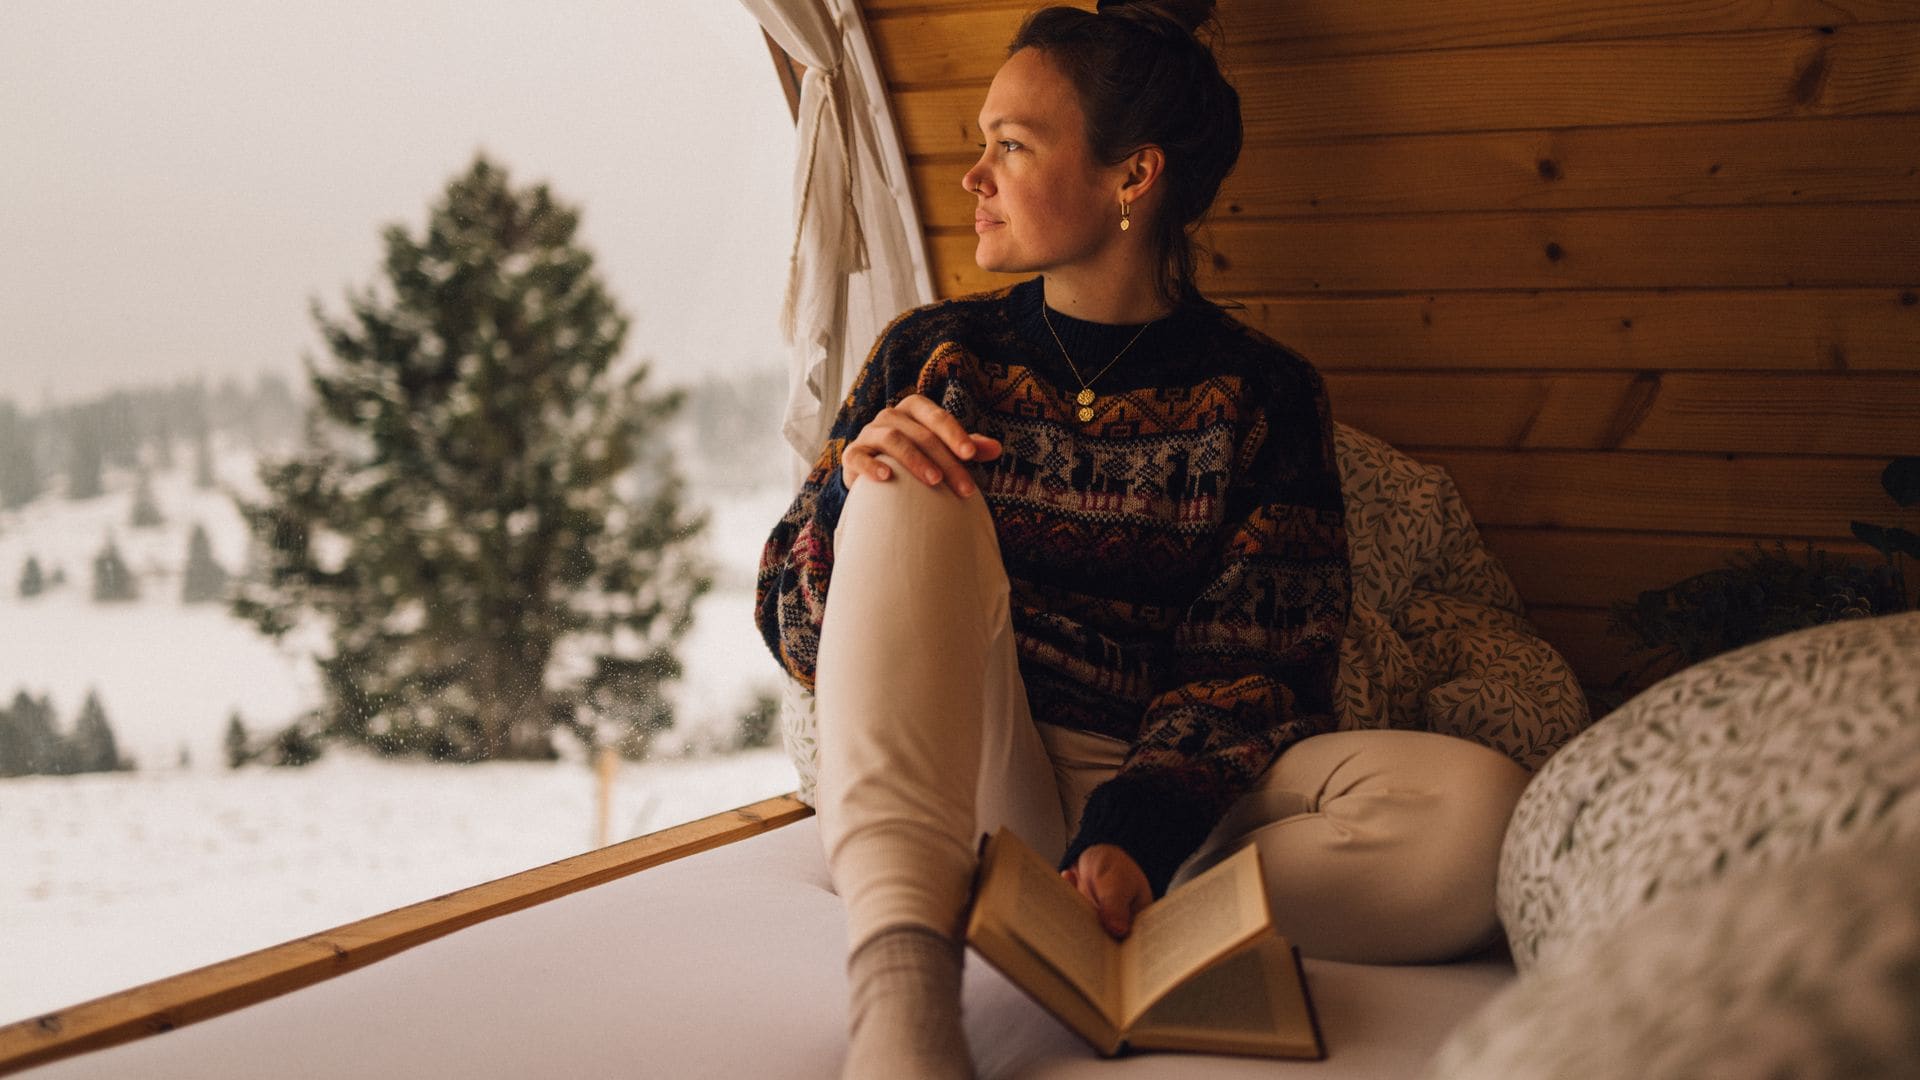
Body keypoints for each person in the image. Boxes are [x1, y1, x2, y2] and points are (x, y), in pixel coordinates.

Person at [756, 2, 1530, 1076]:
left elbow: (1257, 660)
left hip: (1180, 800)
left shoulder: (1263, 395)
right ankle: (905, 994)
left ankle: (1103, 904)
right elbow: (795, 631)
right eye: (979, 141)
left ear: (1134, 176)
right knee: (901, 477)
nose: (974, 174)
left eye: (1012, 146)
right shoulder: (936, 354)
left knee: (1478, 813)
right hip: (972, 767)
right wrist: (849, 495)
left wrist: (1135, 831)